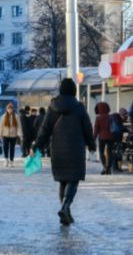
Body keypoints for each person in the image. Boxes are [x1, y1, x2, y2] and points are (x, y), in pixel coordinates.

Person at [35, 78, 95, 225]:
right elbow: (87, 128)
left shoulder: (52, 107)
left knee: (63, 181)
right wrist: (91, 144)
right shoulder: (79, 107)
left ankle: (66, 212)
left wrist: (37, 146)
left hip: (58, 150)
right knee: (73, 180)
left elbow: (44, 130)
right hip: (75, 150)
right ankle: (66, 206)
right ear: (74, 91)